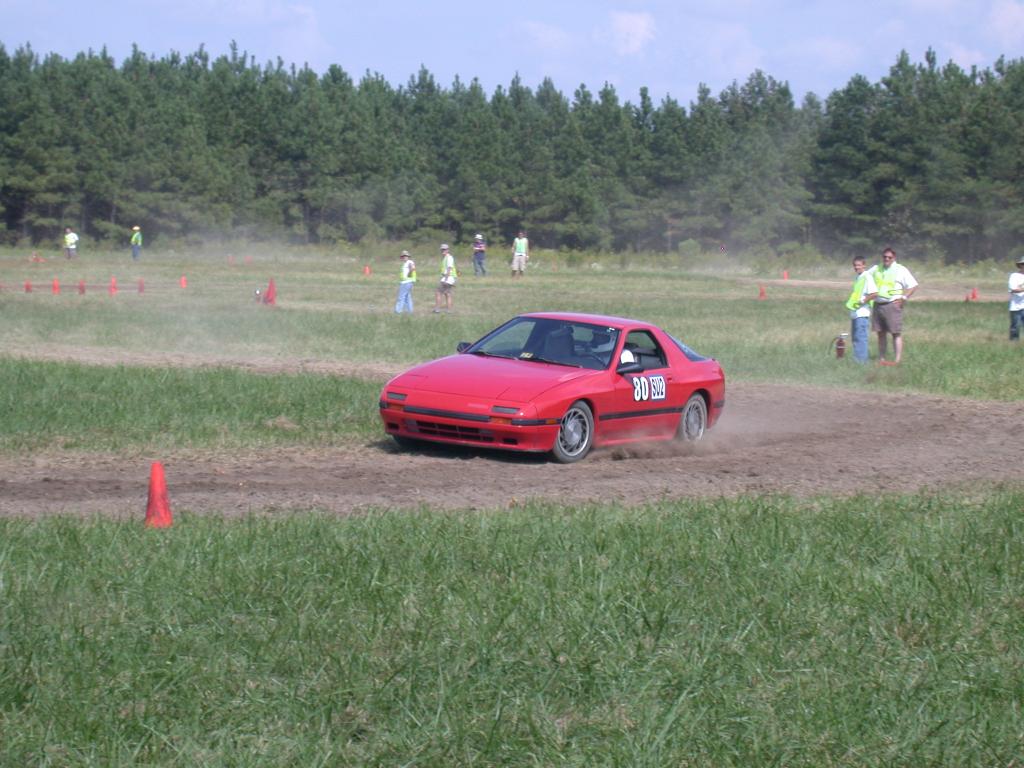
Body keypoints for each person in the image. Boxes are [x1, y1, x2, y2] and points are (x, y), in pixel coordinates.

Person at [870, 247, 918, 365]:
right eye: (885, 257)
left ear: (894, 258)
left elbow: (913, 285)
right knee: (880, 334)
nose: (887, 259)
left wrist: (904, 298)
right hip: (878, 304)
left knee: (895, 333)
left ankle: (897, 360)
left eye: (889, 257)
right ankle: (882, 359)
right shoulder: (876, 269)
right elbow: (865, 277)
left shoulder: (901, 270)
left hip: (892, 305)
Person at [845, 256, 878, 363]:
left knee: (861, 338)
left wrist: (863, 300)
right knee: (855, 338)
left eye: (859, 265)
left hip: (862, 313)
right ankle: (857, 360)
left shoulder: (867, 277)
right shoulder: (858, 277)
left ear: (864, 265)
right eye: (855, 265)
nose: (856, 267)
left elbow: (874, 293)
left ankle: (862, 362)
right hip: (855, 313)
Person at [433, 243, 456, 314]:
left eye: (445, 249)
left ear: (448, 250)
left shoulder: (449, 258)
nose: (443, 250)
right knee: (447, 294)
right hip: (450, 278)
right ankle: (449, 310)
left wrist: (445, 279)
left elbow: (449, 268)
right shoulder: (446, 258)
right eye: (442, 249)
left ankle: (437, 309)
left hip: (448, 278)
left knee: (438, 292)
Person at [395, 249, 417, 314]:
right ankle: (410, 311)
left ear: (408, 256)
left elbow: (412, 268)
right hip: (407, 282)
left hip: (406, 282)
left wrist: (408, 275)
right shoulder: (405, 263)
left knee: (401, 297)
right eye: (403, 256)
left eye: (405, 256)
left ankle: (398, 311)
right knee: (407, 297)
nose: (404, 257)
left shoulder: (409, 262)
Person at [1009, 256, 1024, 341]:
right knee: (1015, 326)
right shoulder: (1014, 276)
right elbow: (1013, 289)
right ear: (1021, 265)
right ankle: (1014, 343)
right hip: (1016, 306)